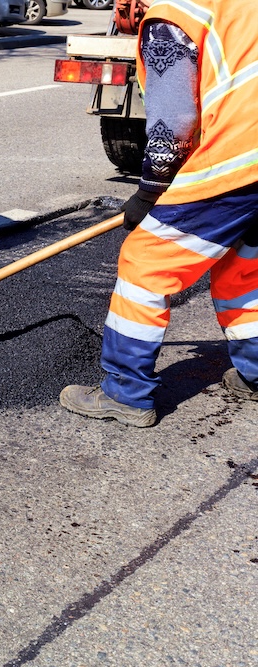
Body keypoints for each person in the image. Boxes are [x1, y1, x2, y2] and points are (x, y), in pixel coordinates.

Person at [60, 0, 258, 427]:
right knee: (243, 269)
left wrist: (150, 191)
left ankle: (125, 393)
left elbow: (176, 119)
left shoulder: (175, 13)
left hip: (243, 161)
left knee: (145, 263)